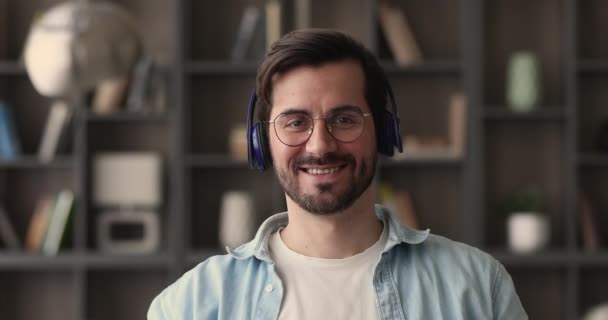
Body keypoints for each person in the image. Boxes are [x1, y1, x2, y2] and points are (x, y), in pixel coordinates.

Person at [148, 29, 527, 320]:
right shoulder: (189, 306)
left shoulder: (478, 288)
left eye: (344, 119)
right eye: (295, 122)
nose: (319, 146)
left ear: (384, 130)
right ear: (262, 141)